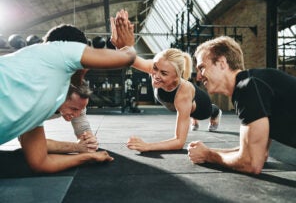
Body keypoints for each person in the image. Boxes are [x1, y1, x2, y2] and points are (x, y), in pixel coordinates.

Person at [0, 22, 136, 173]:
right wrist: (127, 45)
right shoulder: (60, 50)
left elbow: (40, 163)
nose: (87, 67)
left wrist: (88, 156)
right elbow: (126, 58)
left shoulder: (42, 96)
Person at [110, 10, 222, 152]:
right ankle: (189, 115)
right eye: (155, 68)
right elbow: (128, 58)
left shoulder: (183, 94)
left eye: (163, 73)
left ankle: (215, 112)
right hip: (185, 102)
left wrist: (148, 146)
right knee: (185, 111)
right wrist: (120, 45)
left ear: (177, 76)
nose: (155, 75)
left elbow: (179, 141)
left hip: (202, 106)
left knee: (202, 112)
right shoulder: (155, 68)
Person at [187, 36, 296, 174]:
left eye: (202, 68)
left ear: (222, 63)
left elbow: (251, 163)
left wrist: (208, 155)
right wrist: (208, 151)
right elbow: (260, 153)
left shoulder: (248, 87)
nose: (198, 77)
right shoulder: (254, 83)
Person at [42, 25, 98, 154]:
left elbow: (82, 128)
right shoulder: (37, 87)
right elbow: (34, 147)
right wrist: (78, 148)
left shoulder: (72, 87)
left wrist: (88, 140)